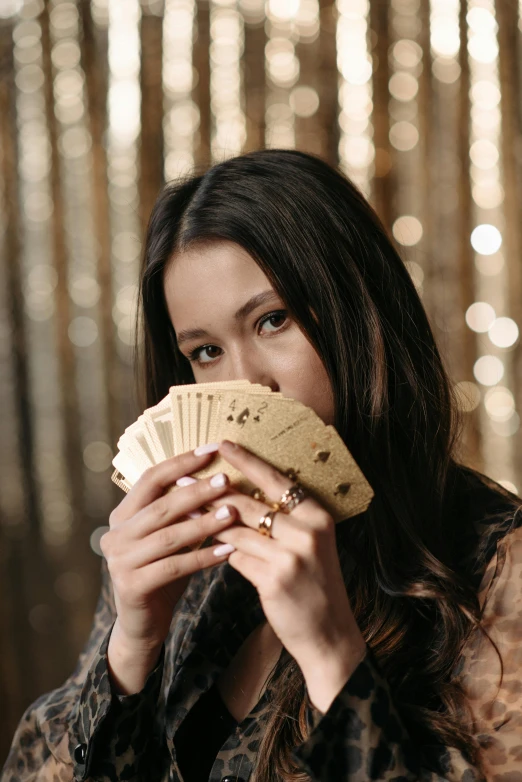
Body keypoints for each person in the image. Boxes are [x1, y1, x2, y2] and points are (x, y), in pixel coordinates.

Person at [3, 148, 522, 782]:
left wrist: (332, 656)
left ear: (358, 315)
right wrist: (129, 651)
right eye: (206, 350)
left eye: (273, 320)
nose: (247, 386)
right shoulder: (188, 548)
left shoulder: (501, 568)